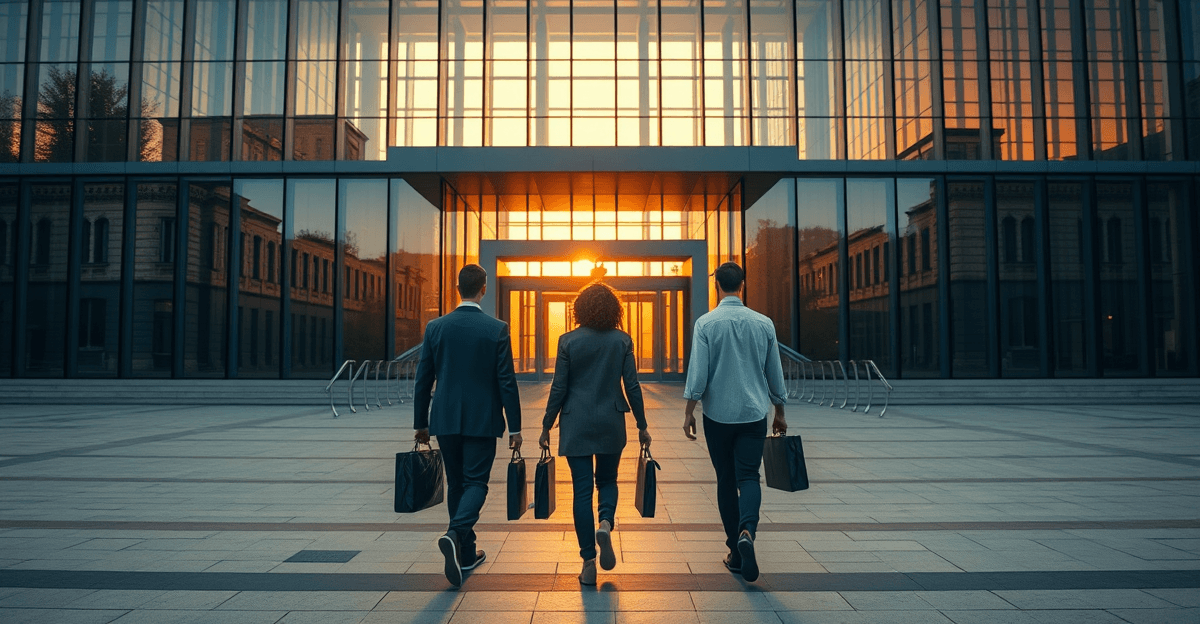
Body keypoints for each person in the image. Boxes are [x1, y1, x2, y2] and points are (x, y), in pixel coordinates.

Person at [413, 264, 522, 588]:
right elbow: (507, 382)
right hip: (482, 420)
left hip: (445, 419)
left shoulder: (436, 327)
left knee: (458, 484)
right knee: (476, 484)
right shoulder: (496, 328)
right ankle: (455, 533)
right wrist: (515, 427)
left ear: (457, 287)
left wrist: (421, 423)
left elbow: (423, 379)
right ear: (484, 288)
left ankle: (466, 553)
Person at [681, 261, 787, 583]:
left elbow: (698, 374)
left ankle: (735, 550)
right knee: (749, 477)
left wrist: (689, 410)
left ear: (717, 286)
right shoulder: (763, 323)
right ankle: (747, 532)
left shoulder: (706, 324)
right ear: (742, 285)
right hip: (754, 414)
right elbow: (775, 372)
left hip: (718, 417)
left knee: (726, 480)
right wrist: (779, 411)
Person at [540, 282, 651, 586]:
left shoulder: (567, 341)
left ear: (580, 309)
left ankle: (588, 561)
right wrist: (642, 425)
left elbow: (559, 388)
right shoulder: (623, 341)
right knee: (607, 480)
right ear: (615, 310)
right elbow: (633, 387)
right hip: (611, 421)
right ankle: (605, 520)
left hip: (575, 422)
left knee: (581, 490)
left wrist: (547, 424)